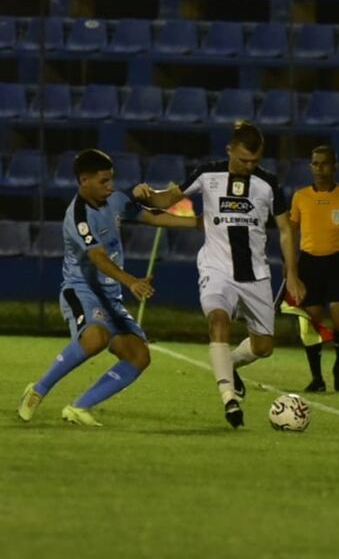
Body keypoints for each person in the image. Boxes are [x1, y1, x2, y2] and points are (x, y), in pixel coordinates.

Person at [133, 121, 305, 429]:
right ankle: (230, 400)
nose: (248, 166)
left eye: (254, 161)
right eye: (242, 160)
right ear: (230, 150)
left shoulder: (268, 184)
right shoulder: (207, 174)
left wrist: (292, 275)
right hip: (216, 269)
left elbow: (286, 231)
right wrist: (145, 193)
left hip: (256, 275)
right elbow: (166, 200)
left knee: (264, 346)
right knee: (218, 320)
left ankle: (231, 364)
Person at [17, 148, 201, 426]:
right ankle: (38, 390)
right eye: (104, 181)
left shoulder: (115, 200)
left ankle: (80, 407)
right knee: (95, 338)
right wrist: (132, 282)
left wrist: (197, 223)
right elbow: (98, 258)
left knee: (139, 355)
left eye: (111, 179)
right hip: (82, 290)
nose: (110, 186)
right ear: (84, 181)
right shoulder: (78, 216)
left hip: (110, 295)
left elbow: (153, 216)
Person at [289, 145, 339, 392]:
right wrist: (291, 268)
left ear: (335, 166)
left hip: (337, 262)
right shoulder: (300, 196)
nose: (319, 169)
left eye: (324, 163)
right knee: (311, 322)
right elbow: (290, 234)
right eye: (315, 163)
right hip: (309, 263)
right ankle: (317, 378)